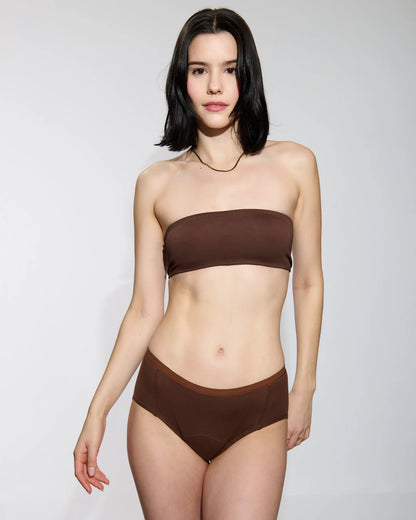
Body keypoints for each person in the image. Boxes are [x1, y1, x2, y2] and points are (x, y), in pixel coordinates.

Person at [74, 7, 323, 519]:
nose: (215, 85)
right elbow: (145, 309)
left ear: (247, 75)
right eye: (199, 69)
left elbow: (308, 283)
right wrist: (97, 411)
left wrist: (305, 386)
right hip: (165, 406)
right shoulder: (156, 184)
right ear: (182, 80)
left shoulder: (295, 165)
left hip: (258, 408)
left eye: (229, 69)